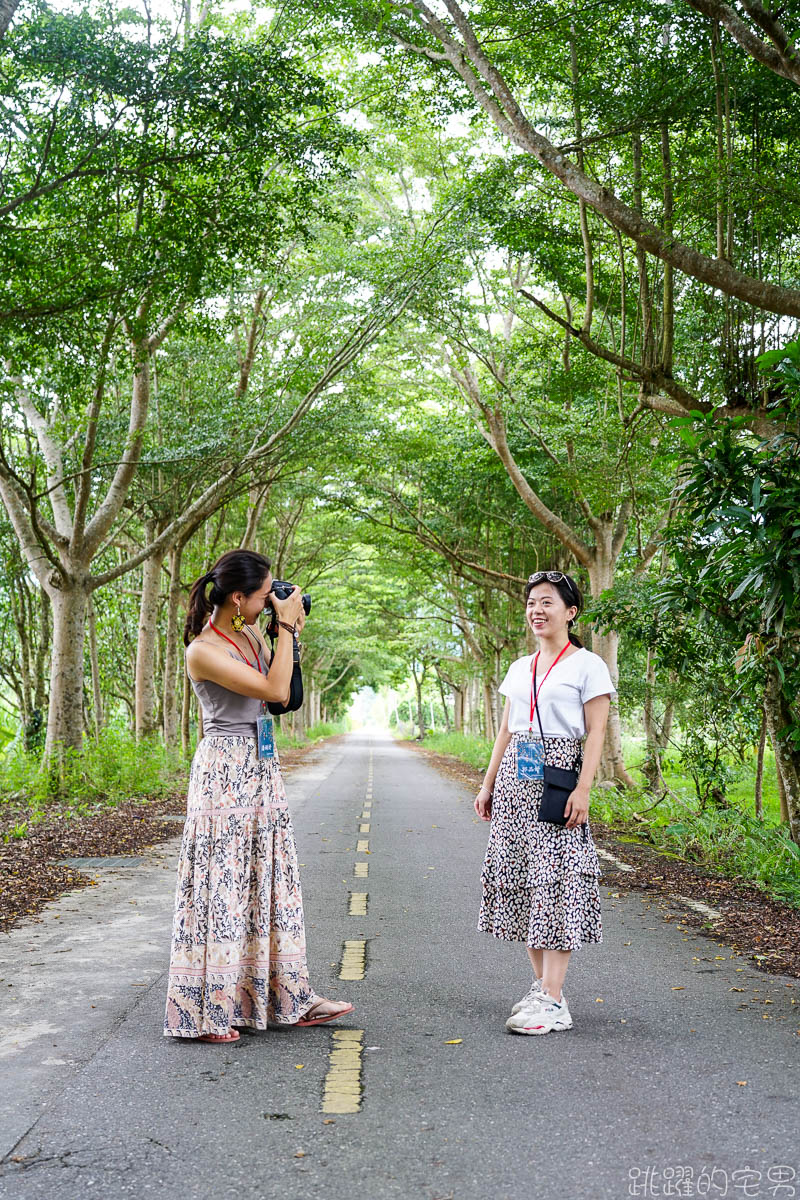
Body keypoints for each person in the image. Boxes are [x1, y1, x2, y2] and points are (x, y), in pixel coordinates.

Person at [163, 549, 353, 1044]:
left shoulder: (246, 635)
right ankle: (208, 1011)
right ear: (237, 597)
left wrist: (281, 634)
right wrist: (285, 630)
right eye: (266, 595)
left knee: (268, 878)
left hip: (261, 766)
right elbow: (270, 687)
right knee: (224, 886)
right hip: (224, 771)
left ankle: (287, 995)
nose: (273, 601)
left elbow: (285, 698)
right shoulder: (204, 649)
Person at [475, 570, 615, 1035]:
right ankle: (543, 990)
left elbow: (596, 732)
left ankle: (554, 1000)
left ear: (571, 612)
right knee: (521, 880)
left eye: (548, 602)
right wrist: (488, 781)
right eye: (532, 602)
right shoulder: (520, 667)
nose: (537, 610)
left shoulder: (587, 665)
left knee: (556, 879)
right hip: (517, 775)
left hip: (559, 776)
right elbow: (506, 729)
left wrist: (584, 788)